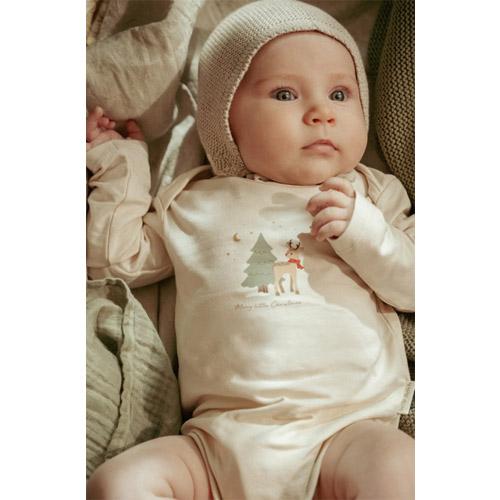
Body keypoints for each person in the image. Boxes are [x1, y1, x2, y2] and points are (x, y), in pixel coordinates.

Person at [86, 1, 415, 499]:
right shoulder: (192, 202)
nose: (322, 112)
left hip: (344, 432)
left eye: (340, 94)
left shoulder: (370, 194)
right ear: (224, 117)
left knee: (402, 468)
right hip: (216, 442)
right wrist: (121, 163)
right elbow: (116, 259)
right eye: (285, 93)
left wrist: (365, 233)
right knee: (118, 482)